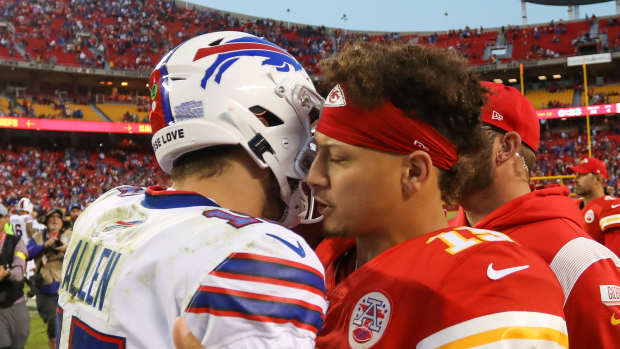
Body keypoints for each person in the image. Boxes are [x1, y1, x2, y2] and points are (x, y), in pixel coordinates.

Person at [57, 31, 327, 349]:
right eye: (302, 128)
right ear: (261, 120)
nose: (311, 152)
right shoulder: (262, 253)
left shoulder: (105, 211)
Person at [310, 43, 566, 348]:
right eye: (317, 152)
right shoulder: (314, 261)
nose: (314, 176)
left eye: (338, 158)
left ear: (415, 172)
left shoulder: (479, 282)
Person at [452, 81, 620, 348]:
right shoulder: (437, 238)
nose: (434, 147)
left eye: (454, 133)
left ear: (506, 147)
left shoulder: (576, 261)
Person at [28, 208, 71, 349]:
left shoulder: (70, 235)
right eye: (51, 217)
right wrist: (44, 245)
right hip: (45, 288)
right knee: (53, 324)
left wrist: (66, 248)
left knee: (68, 327)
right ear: (46, 221)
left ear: (62, 221)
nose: (54, 220)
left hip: (67, 287)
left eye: (58, 217)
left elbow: (83, 253)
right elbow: (28, 253)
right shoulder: (38, 236)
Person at [568, 157, 620, 252]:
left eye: (581, 175)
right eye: (576, 175)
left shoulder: (610, 206)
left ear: (598, 179)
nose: (575, 179)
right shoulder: (573, 206)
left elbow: (616, 259)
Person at [0, 204, 29, 349]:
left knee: (18, 342)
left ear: (6, 219)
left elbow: (19, 272)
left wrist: (6, 272)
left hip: (14, 302)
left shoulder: (17, 242)